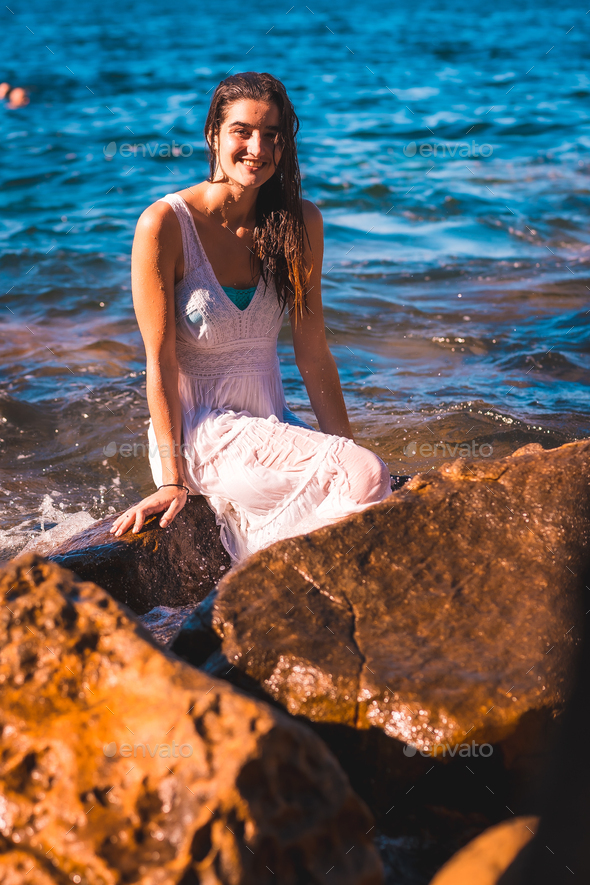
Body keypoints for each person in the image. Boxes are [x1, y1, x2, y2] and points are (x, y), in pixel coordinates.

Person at [110, 71, 392, 565]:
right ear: (213, 135)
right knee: (364, 476)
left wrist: (341, 444)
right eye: (242, 130)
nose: (257, 148)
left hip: (268, 421)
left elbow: (313, 354)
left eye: (272, 135)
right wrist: (173, 479)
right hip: (200, 433)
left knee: (363, 474)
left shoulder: (301, 222)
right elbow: (160, 361)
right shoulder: (165, 225)